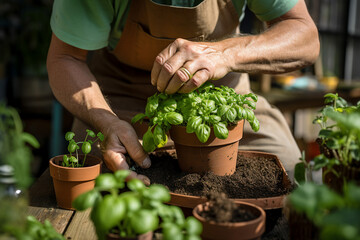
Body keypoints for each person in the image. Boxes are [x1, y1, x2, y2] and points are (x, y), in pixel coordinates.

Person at [46, 0, 320, 183]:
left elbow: (304, 36)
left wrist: (223, 54)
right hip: (118, 96)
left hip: (221, 100)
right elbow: (64, 58)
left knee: (293, 182)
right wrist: (106, 121)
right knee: (88, 184)